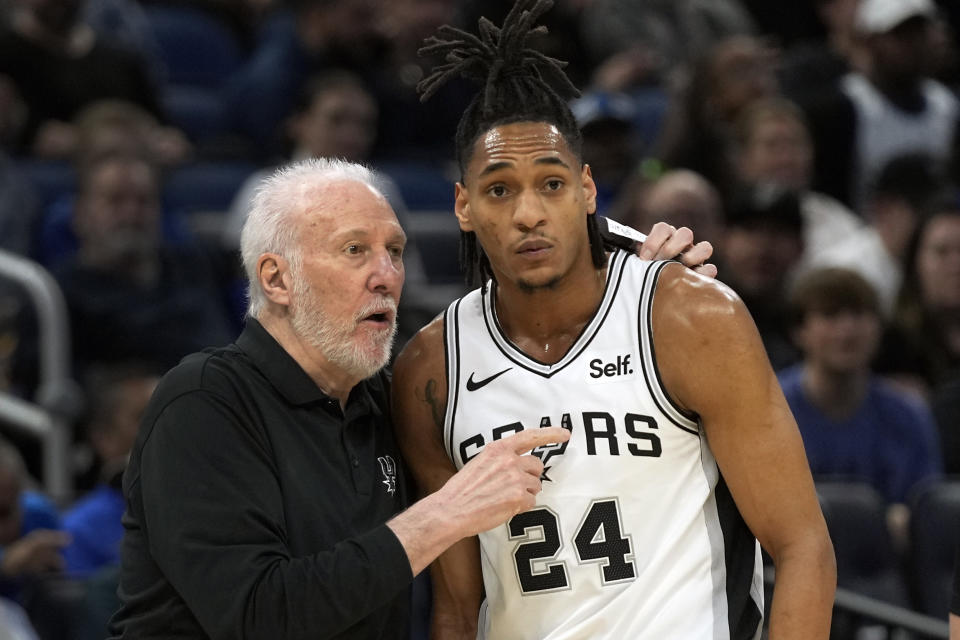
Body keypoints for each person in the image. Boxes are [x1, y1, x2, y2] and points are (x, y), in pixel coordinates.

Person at [392, 1, 836, 638]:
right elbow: (458, 609)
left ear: (588, 190)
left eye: (551, 183)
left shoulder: (690, 318)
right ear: (462, 206)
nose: (528, 214)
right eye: (498, 190)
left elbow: (802, 549)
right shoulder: (430, 371)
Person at [778, 267, 942, 544]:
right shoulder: (771, 409)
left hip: (886, 570)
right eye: (830, 315)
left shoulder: (909, 414)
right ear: (800, 331)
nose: (847, 329)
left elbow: (928, 513)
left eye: (859, 314)